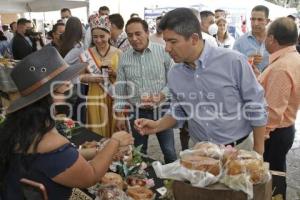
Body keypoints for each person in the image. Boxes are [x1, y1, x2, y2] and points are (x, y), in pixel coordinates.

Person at [0, 46, 134, 199]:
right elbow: (90, 176)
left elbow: (66, 160)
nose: (69, 90)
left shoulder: (20, 127)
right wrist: (115, 141)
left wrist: (99, 151)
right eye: (63, 90)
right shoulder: (48, 141)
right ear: (45, 98)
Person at [135, 8, 267, 155]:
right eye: (166, 41)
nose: (167, 48)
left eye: (173, 41)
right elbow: (179, 110)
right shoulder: (175, 74)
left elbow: (256, 105)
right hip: (200, 152)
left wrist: (258, 150)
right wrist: (157, 125)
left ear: (194, 39)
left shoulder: (233, 61)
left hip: (238, 150)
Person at [114, 17, 177, 163]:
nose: (134, 39)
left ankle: (175, 183)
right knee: (139, 153)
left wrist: (162, 94)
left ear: (147, 32)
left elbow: (175, 80)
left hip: (162, 111)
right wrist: (118, 114)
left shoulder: (163, 51)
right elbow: (120, 87)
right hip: (137, 112)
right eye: (130, 35)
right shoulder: (124, 58)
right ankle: (143, 183)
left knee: (169, 151)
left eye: (138, 33)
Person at [259, 17, 300, 173]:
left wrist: (260, 139)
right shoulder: (293, 58)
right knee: (277, 172)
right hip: (284, 129)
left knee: (271, 177)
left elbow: (273, 112)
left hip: (274, 134)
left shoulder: (282, 67)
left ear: (271, 38)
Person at [80, 15, 122, 137]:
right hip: (95, 95)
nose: (98, 40)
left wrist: (114, 73)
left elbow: (126, 78)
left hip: (114, 96)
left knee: (116, 130)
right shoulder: (87, 54)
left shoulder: (119, 53)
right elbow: (79, 77)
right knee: (97, 132)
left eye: (102, 36)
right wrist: (91, 78)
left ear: (109, 35)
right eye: (95, 37)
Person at [59, 17, 86, 123]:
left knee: (70, 115)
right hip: (75, 84)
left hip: (66, 85)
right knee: (78, 116)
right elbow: (63, 65)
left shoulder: (66, 45)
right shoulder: (78, 47)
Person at [233, 5, 270, 72]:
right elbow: (233, 65)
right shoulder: (240, 42)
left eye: (260, 20)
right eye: (253, 19)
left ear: (267, 21)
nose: (255, 23)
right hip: (248, 81)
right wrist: (248, 61)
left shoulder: (275, 41)